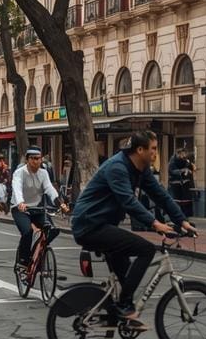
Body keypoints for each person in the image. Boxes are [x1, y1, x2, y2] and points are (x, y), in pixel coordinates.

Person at [71, 131, 194, 325]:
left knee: (127, 275)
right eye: (153, 149)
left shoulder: (141, 170)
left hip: (103, 225)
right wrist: (155, 223)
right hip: (89, 225)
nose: (156, 153)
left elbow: (160, 195)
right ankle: (124, 306)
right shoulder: (117, 167)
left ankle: (121, 313)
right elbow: (128, 201)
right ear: (140, 150)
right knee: (145, 249)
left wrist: (182, 221)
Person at [11, 147, 68, 272]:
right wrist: (20, 202)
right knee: (28, 232)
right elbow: (17, 188)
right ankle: (23, 261)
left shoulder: (43, 173)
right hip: (20, 209)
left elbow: (49, 189)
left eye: (38, 158)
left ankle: (39, 253)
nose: (36, 161)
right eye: (33, 158)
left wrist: (60, 203)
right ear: (27, 160)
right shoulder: (19, 173)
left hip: (37, 209)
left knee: (52, 230)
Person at [167, 146, 196, 218]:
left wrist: (190, 167)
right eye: (183, 154)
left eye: (185, 154)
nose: (184, 155)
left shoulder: (186, 161)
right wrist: (182, 171)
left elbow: (192, 168)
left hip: (185, 184)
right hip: (175, 184)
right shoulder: (173, 161)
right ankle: (177, 215)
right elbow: (172, 171)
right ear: (178, 154)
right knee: (176, 201)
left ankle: (185, 216)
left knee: (185, 201)